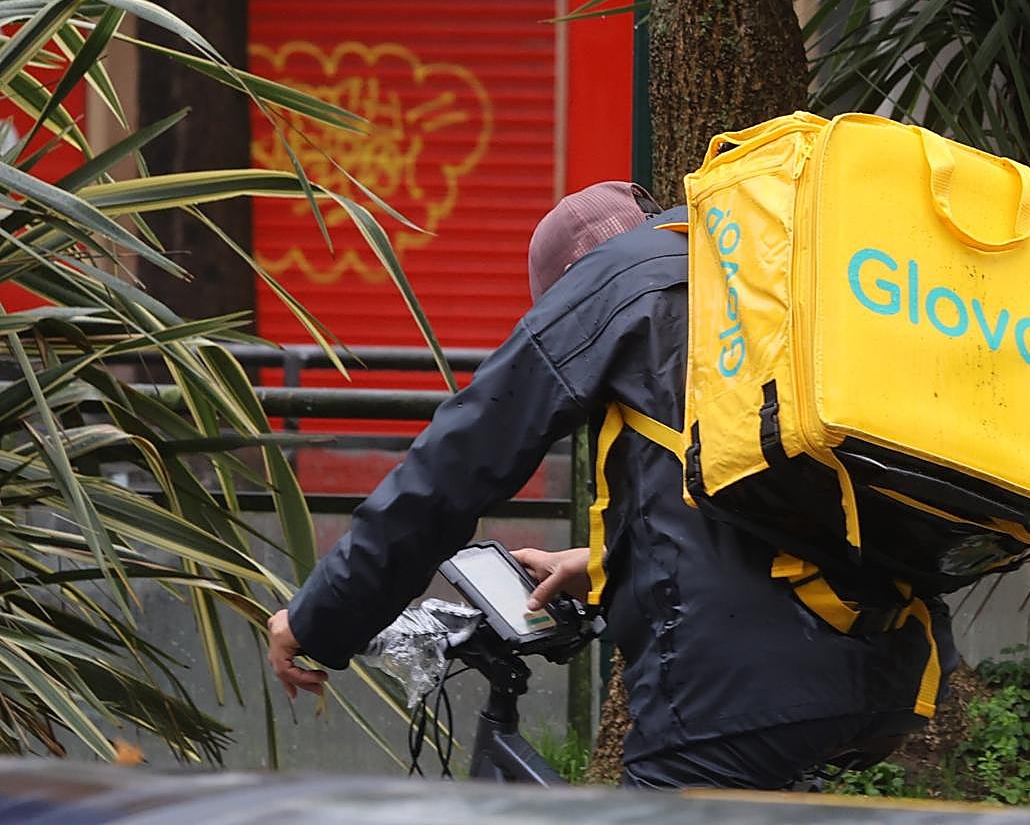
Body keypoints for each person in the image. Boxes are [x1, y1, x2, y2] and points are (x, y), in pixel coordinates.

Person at [267, 181, 958, 789]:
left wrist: (319, 618)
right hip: (893, 663)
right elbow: (731, 486)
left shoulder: (605, 288)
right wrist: (597, 564)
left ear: (568, 280)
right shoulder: (746, 282)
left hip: (733, 693)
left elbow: (452, 469)